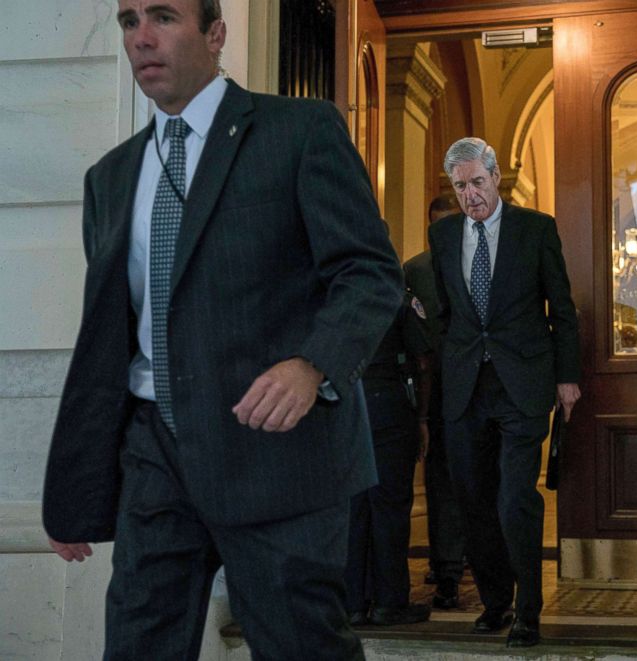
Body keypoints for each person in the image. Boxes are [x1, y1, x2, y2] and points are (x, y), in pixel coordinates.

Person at [40, 1, 403, 659]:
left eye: (163, 17)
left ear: (216, 34)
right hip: (156, 458)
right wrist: (75, 491)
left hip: (276, 453)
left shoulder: (301, 132)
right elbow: (106, 346)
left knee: (302, 648)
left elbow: (371, 273)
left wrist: (314, 362)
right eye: (128, 23)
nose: (142, 38)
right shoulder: (111, 178)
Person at [428, 137, 582, 647]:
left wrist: (567, 377)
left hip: (523, 383)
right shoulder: (444, 234)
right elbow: (449, 314)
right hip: (466, 386)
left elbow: (561, 310)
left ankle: (529, 612)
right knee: (472, 499)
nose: (469, 194)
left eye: (476, 182)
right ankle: (497, 603)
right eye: (459, 186)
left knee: (515, 498)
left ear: (495, 178)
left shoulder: (535, 230)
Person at [345, 290, 433, 626]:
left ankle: (353, 602)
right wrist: (422, 418)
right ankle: (389, 602)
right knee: (391, 505)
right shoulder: (398, 297)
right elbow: (423, 360)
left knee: (354, 506)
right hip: (390, 407)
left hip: (348, 407)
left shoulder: (337, 293)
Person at [403, 194, 465, 610]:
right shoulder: (414, 271)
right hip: (438, 391)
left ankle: (472, 559)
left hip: (476, 388)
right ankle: (447, 569)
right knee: (442, 482)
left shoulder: (484, 263)